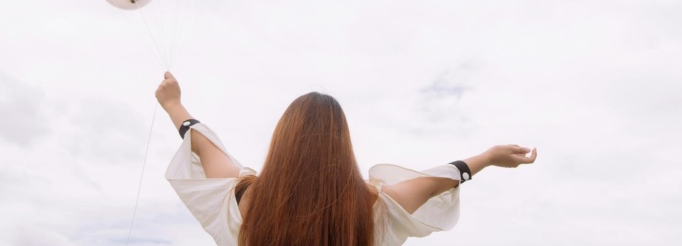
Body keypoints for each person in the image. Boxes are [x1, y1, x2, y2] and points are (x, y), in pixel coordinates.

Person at [157, 71, 537, 246]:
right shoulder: (371, 209)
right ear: (342, 148)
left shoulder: (247, 201)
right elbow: (442, 177)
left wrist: (173, 103)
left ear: (282, 142)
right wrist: (487, 158)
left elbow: (203, 144)